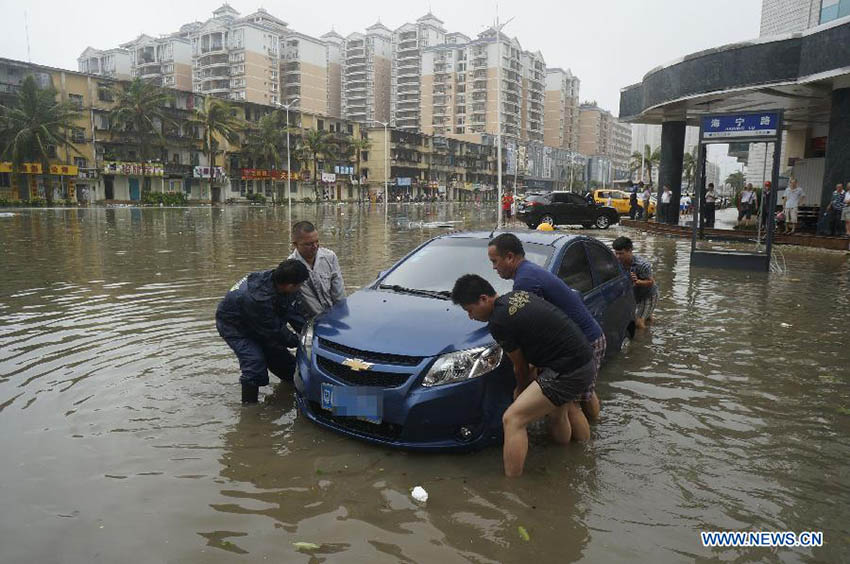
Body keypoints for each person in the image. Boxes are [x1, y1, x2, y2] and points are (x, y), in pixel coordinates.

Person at [451, 274, 594, 478]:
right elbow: (539, 333)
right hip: (583, 359)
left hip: (567, 369)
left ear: (483, 299)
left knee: (513, 419)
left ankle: (513, 488)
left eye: (470, 310)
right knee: (559, 413)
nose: (470, 317)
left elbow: (520, 367)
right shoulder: (518, 296)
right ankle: (576, 459)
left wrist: (520, 390)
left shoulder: (498, 321)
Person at [487, 233, 606, 420]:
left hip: (583, 342)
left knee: (572, 403)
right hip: (587, 338)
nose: (494, 267)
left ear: (510, 257)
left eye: (495, 261)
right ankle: (593, 431)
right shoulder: (529, 271)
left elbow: (531, 328)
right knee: (585, 393)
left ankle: (586, 444)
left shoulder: (525, 282)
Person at [216, 260, 310, 404]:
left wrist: (309, 334)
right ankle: (250, 412)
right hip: (235, 327)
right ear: (290, 285)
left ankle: (290, 394)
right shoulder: (257, 298)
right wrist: (298, 342)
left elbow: (294, 314)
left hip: (260, 321)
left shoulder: (279, 281)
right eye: (300, 285)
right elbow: (275, 331)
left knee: (287, 365)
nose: (301, 287)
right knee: (254, 363)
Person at [288, 221, 346, 326]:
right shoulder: (292, 266)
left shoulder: (330, 256)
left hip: (334, 315)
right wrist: (327, 322)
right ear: (295, 245)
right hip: (310, 322)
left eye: (317, 241)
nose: (315, 246)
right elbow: (309, 300)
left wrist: (342, 315)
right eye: (308, 244)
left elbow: (338, 291)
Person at [612, 236, 658, 330]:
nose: (618, 256)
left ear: (630, 251)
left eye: (621, 253)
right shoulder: (617, 262)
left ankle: (643, 341)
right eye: (616, 253)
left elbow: (651, 282)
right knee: (647, 317)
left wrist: (637, 281)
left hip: (648, 295)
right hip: (635, 294)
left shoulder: (642, 265)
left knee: (638, 323)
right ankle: (651, 328)